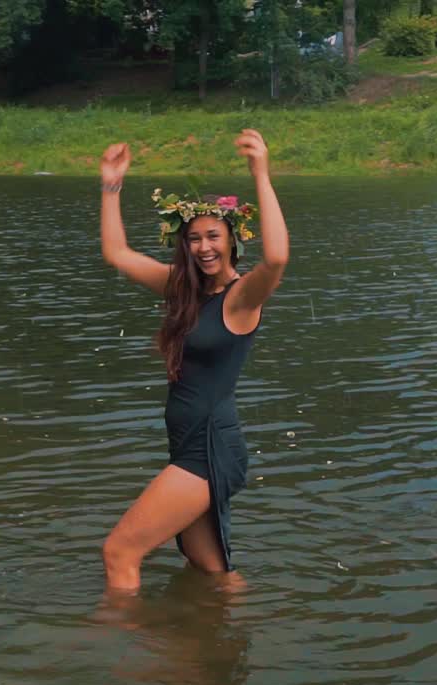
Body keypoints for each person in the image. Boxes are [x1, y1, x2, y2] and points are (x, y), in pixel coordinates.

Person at [98, 129, 289, 592]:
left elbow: (278, 257)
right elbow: (117, 254)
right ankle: (236, 642)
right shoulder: (181, 291)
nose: (203, 247)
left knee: (120, 552)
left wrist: (260, 174)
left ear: (232, 240)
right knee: (211, 573)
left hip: (209, 448)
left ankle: (110, 653)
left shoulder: (241, 299)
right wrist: (111, 186)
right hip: (188, 443)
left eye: (213, 237)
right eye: (194, 239)